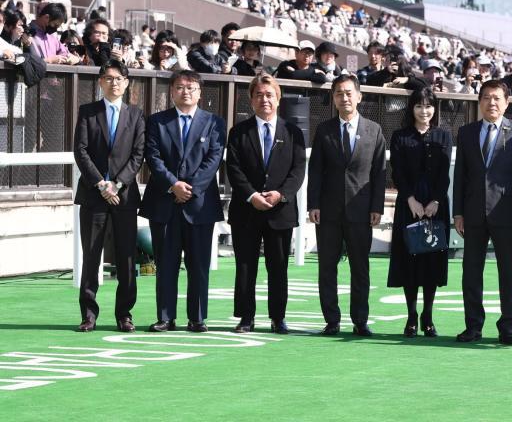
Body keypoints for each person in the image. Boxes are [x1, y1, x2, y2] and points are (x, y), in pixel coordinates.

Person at [140, 70, 226, 333]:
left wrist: (191, 188)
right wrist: (173, 185)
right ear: (171, 91)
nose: (185, 92)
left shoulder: (214, 122)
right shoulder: (157, 121)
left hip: (200, 205)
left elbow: (214, 158)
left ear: (200, 92)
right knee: (165, 264)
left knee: (198, 264)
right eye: (179, 87)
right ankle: (166, 317)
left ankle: (197, 318)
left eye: (191, 87)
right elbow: (153, 156)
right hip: (164, 203)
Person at [452, 79, 512, 345]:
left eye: (497, 98)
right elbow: (460, 175)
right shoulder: (466, 132)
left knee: (508, 272)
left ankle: (507, 327)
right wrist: (458, 212)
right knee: (471, 272)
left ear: (507, 102)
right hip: (473, 213)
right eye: (486, 97)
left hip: (506, 213)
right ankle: (473, 326)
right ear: (479, 102)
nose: (492, 103)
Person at [226, 74, 306, 335]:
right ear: (251, 100)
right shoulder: (238, 132)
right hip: (246, 211)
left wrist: (280, 195)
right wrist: (252, 196)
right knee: (245, 266)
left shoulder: (293, 133)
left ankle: (278, 317)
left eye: (269, 95)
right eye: (259, 95)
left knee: (278, 267)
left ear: (278, 98)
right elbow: (234, 169)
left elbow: (298, 170)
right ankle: (246, 317)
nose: (264, 100)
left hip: (280, 211)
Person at [307, 74, 386, 337]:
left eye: (349, 93)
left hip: (361, 211)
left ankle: (360, 320)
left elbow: (379, 173)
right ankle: (332, 320)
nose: (345, 98)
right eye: (339, 93)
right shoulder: (324, 130)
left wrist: (377, 207)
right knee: (327, 268)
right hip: (328, 211)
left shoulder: (374, 130)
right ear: (333, 98)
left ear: (359, 96)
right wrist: (313, 203)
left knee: (360, 268)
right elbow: (315, 169)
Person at [72, 60, 145, 333]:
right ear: (101, 81)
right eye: (109, 78)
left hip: (124, 198)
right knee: (91, 257)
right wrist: (102, 184)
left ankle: (124, 314)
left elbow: (138, 154)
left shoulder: (136, 115)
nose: (114, 83)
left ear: (126, 83)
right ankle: (88, 315)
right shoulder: (88, 112)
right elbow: (80, 151)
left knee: (126, 258)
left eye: (119, 78)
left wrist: (118, 184)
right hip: (94, 195)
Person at [387, 87, 452, 338]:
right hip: (409, 204)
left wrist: (435, 201)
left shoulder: (444, 135)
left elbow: (444, 174)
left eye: (428, 106)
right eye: (418, 106)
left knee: (432, 260)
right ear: (411, 108)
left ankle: (428, 316)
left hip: (436, 205)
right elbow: (397, 172)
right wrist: (410, 200)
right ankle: (412, 316)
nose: (424, 111)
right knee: (409, 260)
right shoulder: (400, 136)